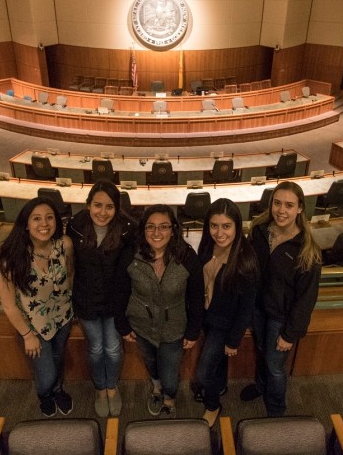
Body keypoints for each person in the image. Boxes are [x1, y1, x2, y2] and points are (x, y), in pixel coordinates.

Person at [240, 181, 321, 417]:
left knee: (275, 366)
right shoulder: (259, 230)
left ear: (300, 209)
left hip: (281, 319)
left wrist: (289, 334)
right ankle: (261, 387)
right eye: (277, 203)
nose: (281, 210)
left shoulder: (307, 250)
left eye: (289, 205)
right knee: (262, 351)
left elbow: (307, 299)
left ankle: (276, 411)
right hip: (258, 310)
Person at [115, 204, 204, 417]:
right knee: (151, 361)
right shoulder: (130, 254)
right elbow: (120, 292)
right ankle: (156, 387)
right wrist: (122, 324)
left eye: (163, 226)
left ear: (173, 229)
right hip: (141, 326)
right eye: (150, 227)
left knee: (170, 371)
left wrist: (193, 330)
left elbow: (196, 297)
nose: (156, 233)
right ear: (143, 229)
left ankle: (169, 397)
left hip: (174, 328)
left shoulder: (187, 256)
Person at [0, 197, 75, 417]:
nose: (44, 224)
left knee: (59, 359)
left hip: (63, 317)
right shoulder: (10, 258)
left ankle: (58, 390)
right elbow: (9, 305)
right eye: (37, 218)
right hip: (33, 326)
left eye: (49, 218)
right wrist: (27, 335)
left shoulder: (64, 244)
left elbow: (70, 274)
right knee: (46, 372)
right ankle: (45, 395)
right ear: (26, 223)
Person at [67, 180, 135, 417]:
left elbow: (129, 272)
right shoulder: (75, 226)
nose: (102, 212)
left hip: (116, 303)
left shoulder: (127, 229)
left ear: (117, 208)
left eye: (109, 206)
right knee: (96, 349)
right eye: (97, 205)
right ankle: (100, 388)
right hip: (86, 301)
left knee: (114, 349)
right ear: (88, 205)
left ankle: (112, 387)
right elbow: (70, 265)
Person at [194, 198, 259, 427]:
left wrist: (233, 340)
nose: (219, 233)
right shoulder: (206, 245)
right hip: (206, 318)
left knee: (203, 374)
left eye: (226, 226)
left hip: (224, 325)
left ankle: (213, 405)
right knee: (216, 363)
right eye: (214, 225)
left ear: (237, 226)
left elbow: (246, 307)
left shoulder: (245, 259)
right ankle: (219, 387)